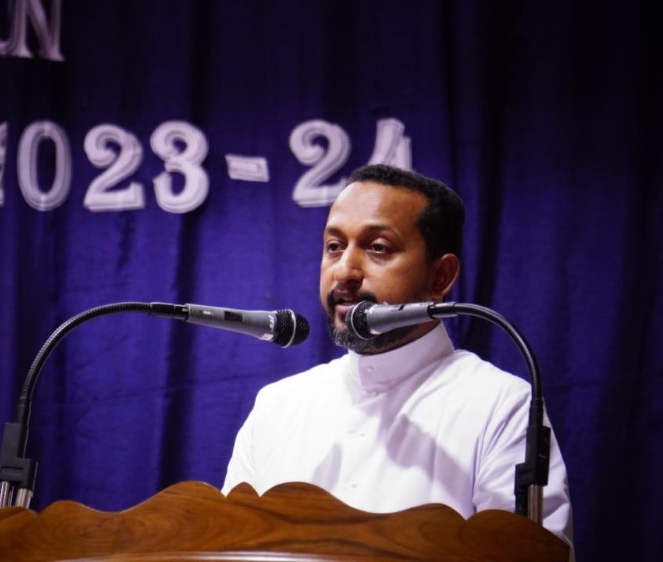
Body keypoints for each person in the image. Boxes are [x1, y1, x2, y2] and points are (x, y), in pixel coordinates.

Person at [222, 164, 573, 548]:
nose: (344, 271)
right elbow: (223, 546)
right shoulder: (277, 407)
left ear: (440, 277)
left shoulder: (500, 406)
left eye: (377, 248)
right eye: (334, 247)